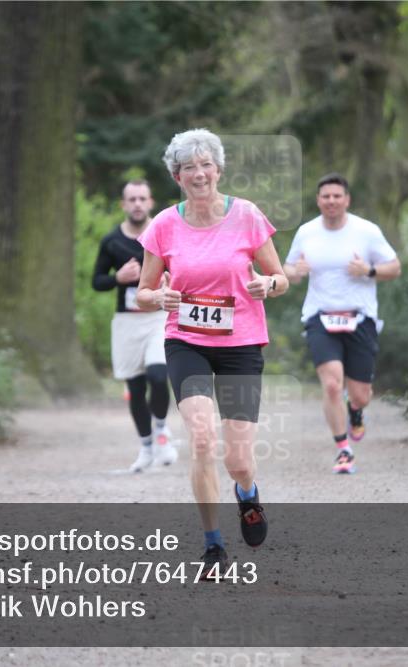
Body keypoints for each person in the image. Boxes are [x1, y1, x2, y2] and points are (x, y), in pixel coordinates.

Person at [135, 129, 289, 578]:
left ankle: (247, 493)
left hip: (241, 344)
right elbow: (144, 291)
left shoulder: (247, 216)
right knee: (202, 439)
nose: (198, 174)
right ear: (177, 176)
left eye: (206, 165)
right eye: (188, 168)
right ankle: (213, 545)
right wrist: (157, 299)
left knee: (237, 459)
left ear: (218, 170)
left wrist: (268, 285)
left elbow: (279, 278)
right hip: (186, 342)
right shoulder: (163, 225)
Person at [283, 173, 401, 475]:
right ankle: (343, 449)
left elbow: (395, 267)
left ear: (347, 200)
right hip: (319, 316)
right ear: (318, 200)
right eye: (326, 196)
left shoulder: (367, 231)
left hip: (360, 317)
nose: (331, 201)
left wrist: (369, 270)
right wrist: (296, 270)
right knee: (333, 383)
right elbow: (286, 270)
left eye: (337, 196)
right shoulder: (307, 232)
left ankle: (355, 410)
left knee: (361, 394)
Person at [92, 180, 178, 472]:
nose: (138, 204)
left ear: (151, 202)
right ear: (124, 205)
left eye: (142, 198)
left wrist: (169, 280)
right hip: (127, 321)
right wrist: (118, 278)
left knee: (157, 374)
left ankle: (162, 431)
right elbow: (97, 282)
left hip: (158, 318)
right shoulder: (112, 241)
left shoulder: (164, 234)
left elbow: (184, 268)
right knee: (136, 387)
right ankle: (146, 448)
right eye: (132, 199)